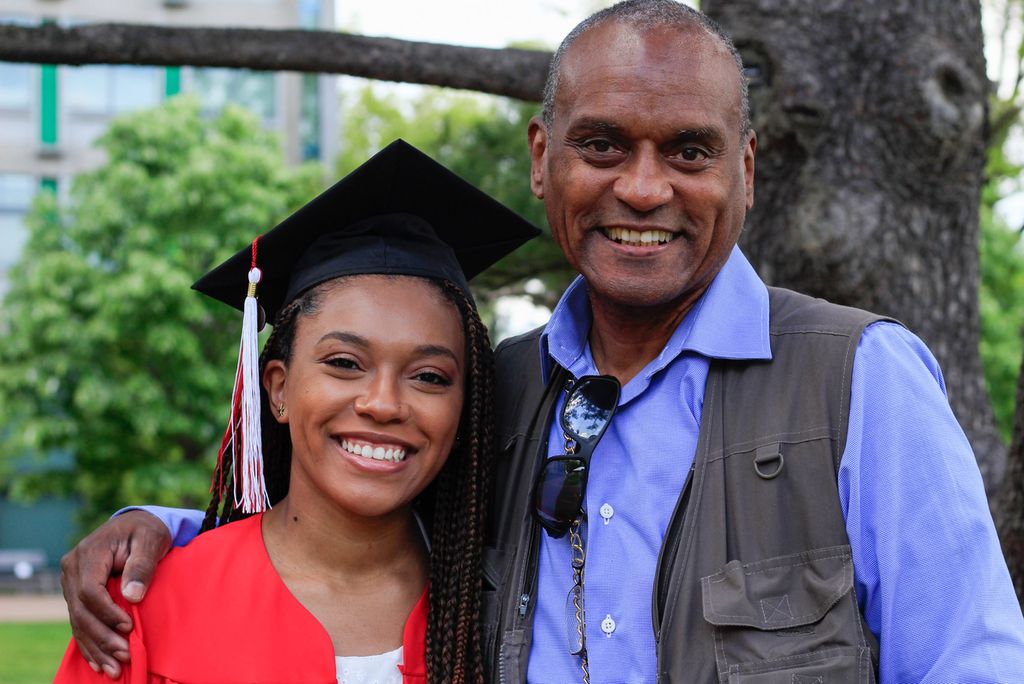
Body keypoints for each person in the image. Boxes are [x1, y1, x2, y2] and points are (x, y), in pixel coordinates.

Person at [60, 1, 1024, 682]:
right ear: (541, 158)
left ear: (746, 167)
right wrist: (164, 533)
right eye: (602, 144)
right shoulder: (498, 397)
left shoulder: (857, 379)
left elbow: (969, 666)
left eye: (688, 150)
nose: (644, 189)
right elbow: (350, 507)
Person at [53, 139, 539, 683]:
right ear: (278, 390)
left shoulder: (500, 617)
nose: (382, 403)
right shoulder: (139, 607)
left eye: (429, 376)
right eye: (344, 363)